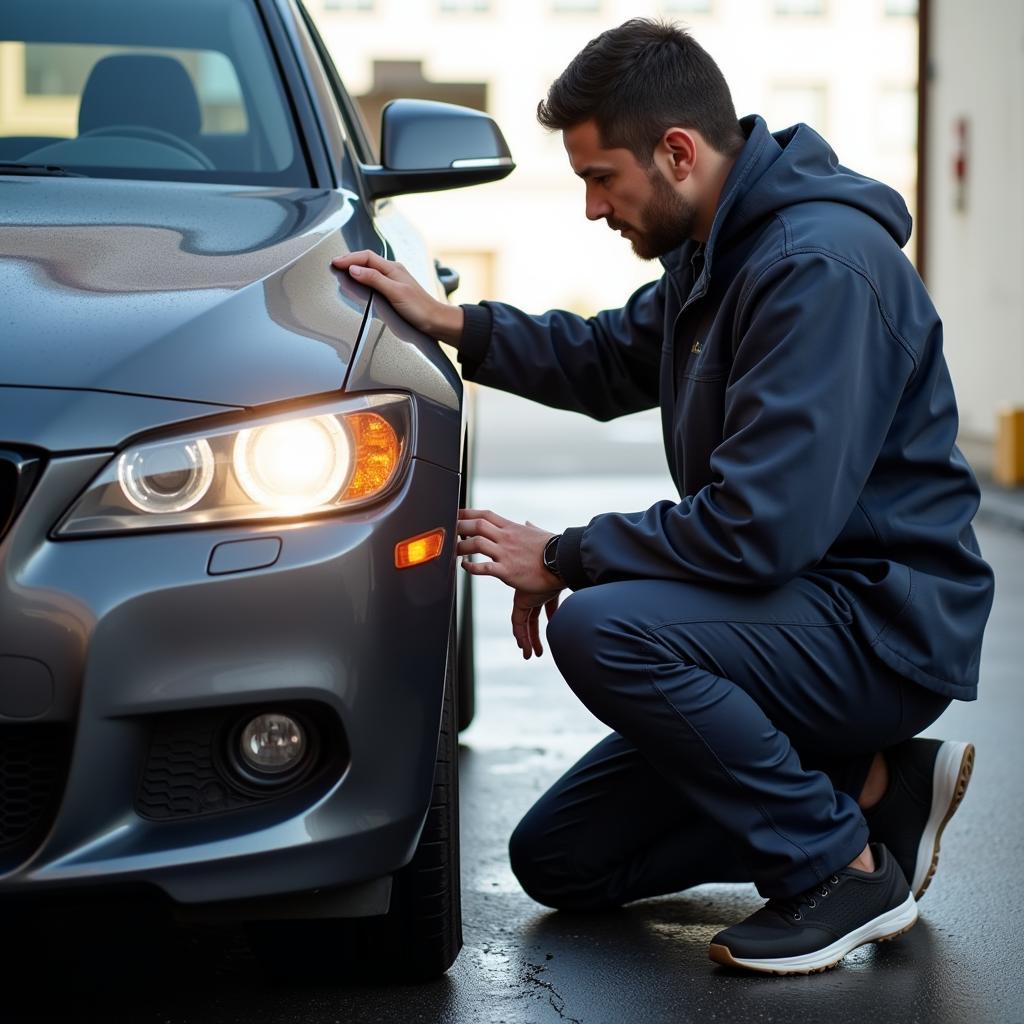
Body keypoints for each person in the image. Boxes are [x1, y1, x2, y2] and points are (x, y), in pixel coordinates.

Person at [332, 18, 994, 975]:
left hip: (878, 622)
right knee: (559, 859)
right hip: (796, 606)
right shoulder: (718, 252)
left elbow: (759, 529)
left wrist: (563, 555)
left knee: (603, 627)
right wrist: (456, 323)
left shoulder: (816, 270)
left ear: (676, 152)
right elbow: (605, 359)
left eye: (602, 178)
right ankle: (866, 786)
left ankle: (841, 871)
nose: (595, 208)